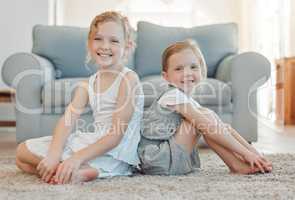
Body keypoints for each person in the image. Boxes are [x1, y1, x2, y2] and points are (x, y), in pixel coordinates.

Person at [15, 11, 144, 184]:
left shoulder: (128, 79)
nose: (105, 46)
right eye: (98, 39)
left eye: (113, 41)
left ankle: (75, 167)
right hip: (95, 142)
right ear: (89, 44)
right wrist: (53, 154)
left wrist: (76, 158)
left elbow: (115, 135)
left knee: (25, 157)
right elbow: (67, 120)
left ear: (127, 46)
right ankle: (69, 171)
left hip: (115, 151)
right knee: (21, 155)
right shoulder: (87, 84)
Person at [138, 39, 272, 175]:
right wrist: (245, 153)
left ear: (201, 69)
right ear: (166, 77)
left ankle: (243, 162)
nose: (187, 73)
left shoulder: (187, 100)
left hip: (170, 158)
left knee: (210, 119)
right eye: (179, 69)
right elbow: (208, 127)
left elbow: (222, 128)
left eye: (193, 67)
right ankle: (237, 164)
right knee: (205, 120)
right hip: (156, 160)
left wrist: (253, 153)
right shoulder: (172, 95)